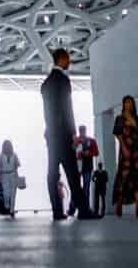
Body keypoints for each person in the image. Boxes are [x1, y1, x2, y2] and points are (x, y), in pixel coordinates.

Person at [40, 47, 87, 219]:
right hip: (64, 135)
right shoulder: (63, 81)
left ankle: (57, 211)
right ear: (61, 59)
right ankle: (83, 210)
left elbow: (48, 112)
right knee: (73, 175)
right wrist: (73, 133)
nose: (70, 62)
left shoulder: (45, 84)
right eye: (68, 59)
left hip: (51, 135)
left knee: (53, 174)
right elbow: (67, 109)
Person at [111, 94, 138, 217]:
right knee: (123, 178)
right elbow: (117, 133)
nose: (129, 104)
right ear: (123, 104)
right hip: (126, 152)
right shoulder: (120, 118)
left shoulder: (136, 118)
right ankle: (118, 205)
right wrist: (123, 147)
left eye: (131, 102)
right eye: (127, 102)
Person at [0, 138, 21, 216]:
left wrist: (17, 176)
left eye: (8, 145)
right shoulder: (1, 156)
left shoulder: (14, 155)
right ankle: (7, 204)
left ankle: (12, 210)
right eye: (5, 145)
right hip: (4, 175)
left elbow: (17, 165)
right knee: (6, 193)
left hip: (13, 174)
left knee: (13, 194)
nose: (7, 147)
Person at [74, 123, 99, 202]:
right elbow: (70, 151)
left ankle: (86, 207)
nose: (82, 132)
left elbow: (96, 152)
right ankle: (73, 208)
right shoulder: (76, 141)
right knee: (76, 187)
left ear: (85, 131)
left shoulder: (91, 141)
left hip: (87, 167)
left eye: (83, 131)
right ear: (79, 131)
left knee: (86, 188)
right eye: (81, 131)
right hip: (77, 167)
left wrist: (88, 153)